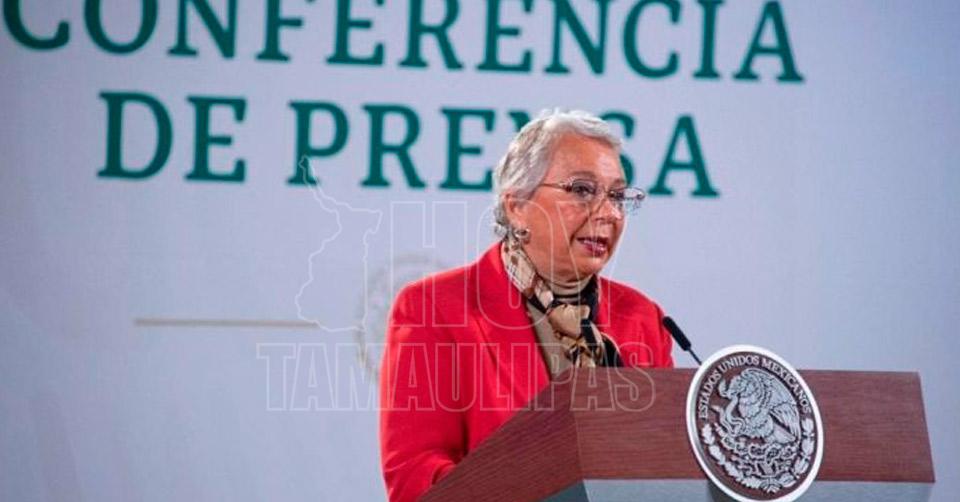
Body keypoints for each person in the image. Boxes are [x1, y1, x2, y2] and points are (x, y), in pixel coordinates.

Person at [378, 109, 675, 501]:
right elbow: (415, 477)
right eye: (582, 190)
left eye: (617, 196)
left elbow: (667, 467)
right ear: (517, 205)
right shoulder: (434, 308)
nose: (608, 213)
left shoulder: (642, 317)